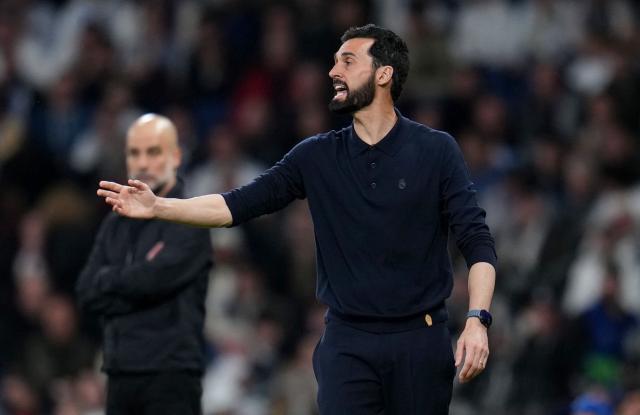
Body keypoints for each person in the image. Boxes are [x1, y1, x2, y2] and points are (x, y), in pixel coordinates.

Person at [98, 24, 496, 415]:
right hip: (348, 342)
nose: (333, 71)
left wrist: (477, 319)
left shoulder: (436, 150)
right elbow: (235, 206)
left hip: (420, 340)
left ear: (383, 74)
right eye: (334, 61)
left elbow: (476, 240)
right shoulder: (315, 156)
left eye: (348, 61)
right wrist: (159, 207)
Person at [77, 114, 212, 415]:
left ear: (175, 157)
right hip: (119, 372)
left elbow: (154, 281)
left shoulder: (190, 217)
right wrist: (134, 282)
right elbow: (86, 291)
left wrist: (110, 281)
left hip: (171, 375)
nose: (142, 163)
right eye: (134, 153)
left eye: (153, 152)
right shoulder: (114, 223)